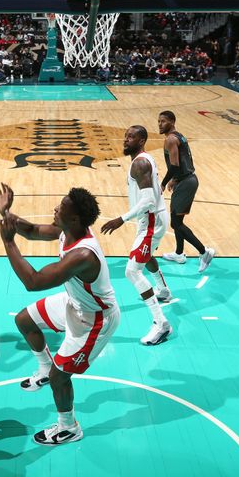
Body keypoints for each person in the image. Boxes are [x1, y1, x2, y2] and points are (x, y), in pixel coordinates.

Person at [0, 184, 120, 445]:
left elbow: (33, 281)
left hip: (95, 319)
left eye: (60, 208)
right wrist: (6, 213)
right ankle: (44, 367)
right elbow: (31, 231)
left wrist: (8, 242)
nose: (55, 209)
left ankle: (69, 427)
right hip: (75, 302)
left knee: (60, 377)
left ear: (74, 218)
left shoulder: (84, 254)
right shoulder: (67, 230)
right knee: (24, 320)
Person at [100, 126, 174, 346]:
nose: (126, 140)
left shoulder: (140, 163)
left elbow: (149, 201)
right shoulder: (144, 159)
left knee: (132, 271)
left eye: (131, 137)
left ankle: (160, 323)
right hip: (151, 219)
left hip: (151, 220)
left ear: (142, 140)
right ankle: (163, 289)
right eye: (126, 136)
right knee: (145, 255)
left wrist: (121, 219)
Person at [157, 110, 215, 272]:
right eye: (159, 121)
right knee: (178, 221)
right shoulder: (179, 136)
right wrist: (175, 179)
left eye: (163, 121)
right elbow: (186, 160)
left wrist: (163, 183)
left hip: (186, 182)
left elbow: (175, 165)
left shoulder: (170, 139)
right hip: (185, 179)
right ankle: (179, 253)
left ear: (172, 122)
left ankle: (204, 252)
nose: (160, 124)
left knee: (175, 223)